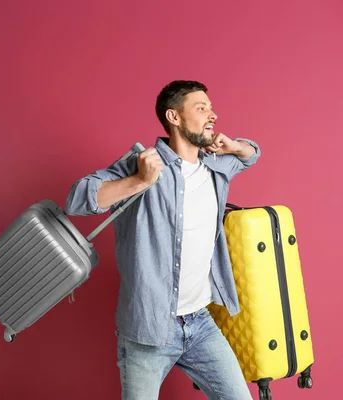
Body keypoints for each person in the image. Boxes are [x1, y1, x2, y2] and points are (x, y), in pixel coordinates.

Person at [65, 80, 261, 399]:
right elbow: (77, 200)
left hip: (200, 323)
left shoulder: (216, 166)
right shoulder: (143, 163)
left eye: (210, 107)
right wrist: (139, 181)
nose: (212, 114)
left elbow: (252, 154)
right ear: (174, 117)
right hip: (148, 329)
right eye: (201, 108)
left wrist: (236, 147)